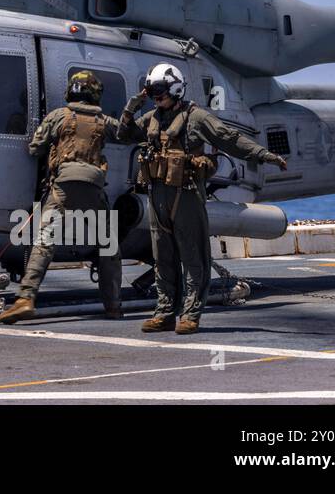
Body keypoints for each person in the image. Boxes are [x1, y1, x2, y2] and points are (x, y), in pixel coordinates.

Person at [118, 62, 288, 335]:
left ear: (174, 88)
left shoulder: (196, 117)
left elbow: (229, 138)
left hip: (185, 196)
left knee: (193, 257)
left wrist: (264, 155)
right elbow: (123, 135)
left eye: (158, 90)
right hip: (157, 195)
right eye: (151, 91)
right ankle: (164, 312)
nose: (155, 96)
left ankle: (191, 314)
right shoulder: (150, 118)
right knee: (163, 258)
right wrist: (132, 105)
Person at [1, 70, 124, 324]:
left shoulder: (58, 116)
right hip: (94, 188)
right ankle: (113, 305)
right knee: (108, 247)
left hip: (63, 188)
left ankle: (26, 298)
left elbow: (35, 148)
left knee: (45, 242)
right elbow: (126, 134)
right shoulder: (104, 121)